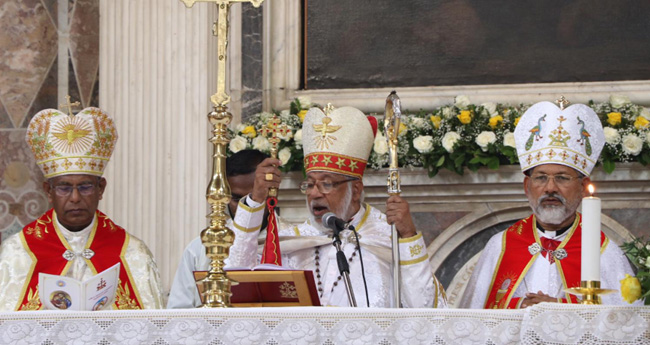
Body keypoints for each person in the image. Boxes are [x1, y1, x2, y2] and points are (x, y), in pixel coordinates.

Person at [230, 105, 447, 308]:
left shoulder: (386, 236)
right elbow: (235, 280)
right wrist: (255, 201)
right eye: (310, 183)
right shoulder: (292, 240)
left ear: (356, 190)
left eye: (327, 184)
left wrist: (408, 235)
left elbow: (428, 309)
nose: (314, 193)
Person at [460, 100, 639, 309]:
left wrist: (558, 308)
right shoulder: (500, 246)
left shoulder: (605, 253)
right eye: (541, 178)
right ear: (527, 186)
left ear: (583, 186)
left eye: (562, 178)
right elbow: (474, 320)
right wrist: (521, 308)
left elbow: (623, 325)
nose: (550, 188)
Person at [0, 107, 163, 310]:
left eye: (85, 187)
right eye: (64, 188)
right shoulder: (18, 252)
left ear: (100, 189)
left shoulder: (131, 253)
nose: (75, 198)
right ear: (48, 191)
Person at [166, 149, 286, 308]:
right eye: (237, 199)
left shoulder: (295, 241)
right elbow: (178, 312)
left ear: (272, 193)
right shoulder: (201, 248)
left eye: (254, 197)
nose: (244, 207)